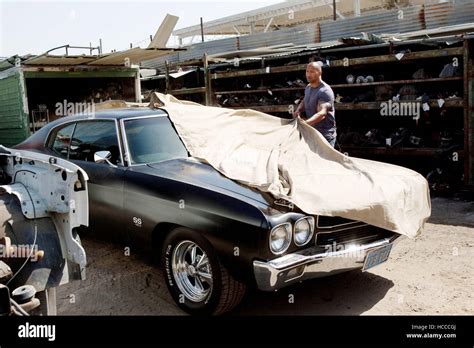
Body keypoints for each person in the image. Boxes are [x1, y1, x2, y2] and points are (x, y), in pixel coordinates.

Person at [293, 61, 337, 147]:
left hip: (325, 137)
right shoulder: (308, 87)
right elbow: (305, 99)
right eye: (307, 71)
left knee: (324, 160)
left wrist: (305, 123)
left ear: (319, 72)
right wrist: (298, 110)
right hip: (312, 133)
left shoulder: (325, 91)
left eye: (312, 72)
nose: (308, 74)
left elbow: (322, 114)